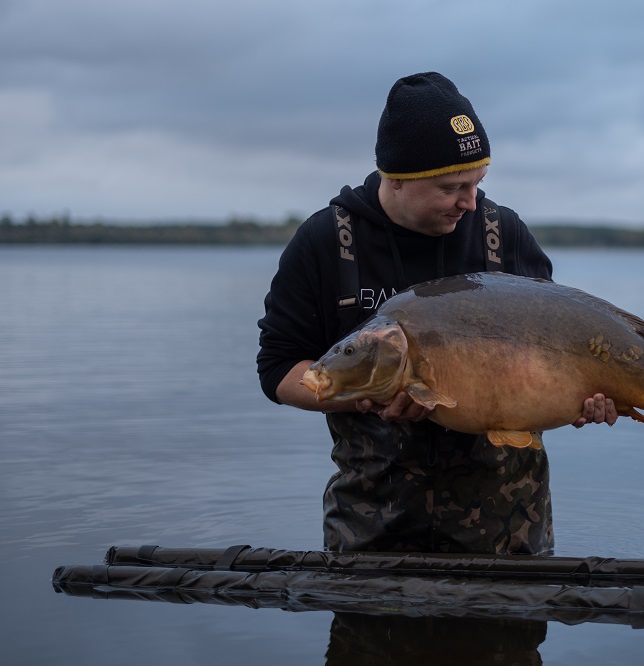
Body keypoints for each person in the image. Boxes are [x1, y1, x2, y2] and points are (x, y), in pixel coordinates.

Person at [257, 72, 616, 555]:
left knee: (505, 632)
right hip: (372, 525)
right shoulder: (326, 242)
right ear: (397, 178)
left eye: (478, 183)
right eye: (451, 187)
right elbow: (278, 370)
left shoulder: (501, 233)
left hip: (507, 528)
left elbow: (560, 357)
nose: (470, 202)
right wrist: (361, 396)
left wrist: (592, 397)